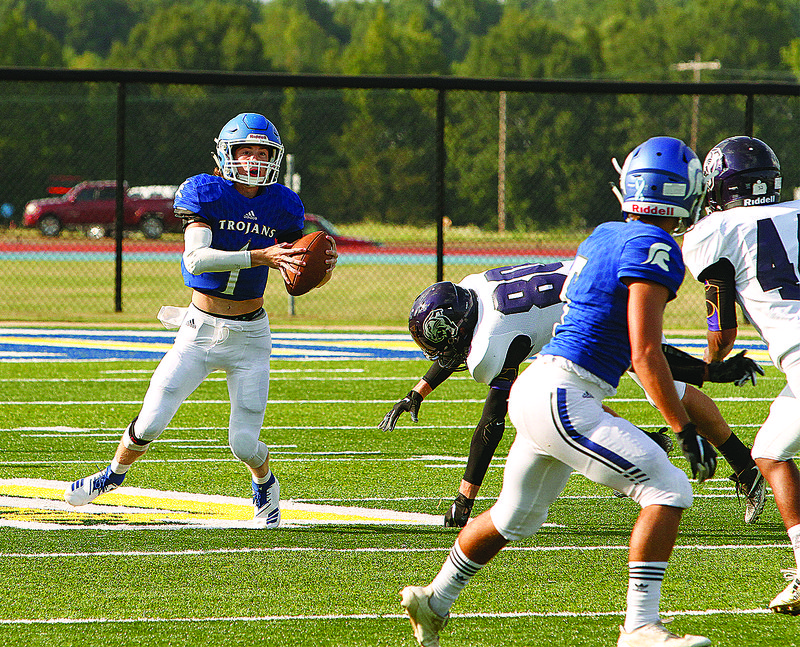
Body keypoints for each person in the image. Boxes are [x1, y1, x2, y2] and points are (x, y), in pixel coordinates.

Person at [400, 136, 715, 647]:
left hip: (539, 386)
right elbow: (645, 352)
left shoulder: (603, 234)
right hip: (566, 392)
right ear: (683, 193)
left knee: (512, 517)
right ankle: (639, 627)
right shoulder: (657, 248)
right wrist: (683, 427)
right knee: (668, 489)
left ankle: (434, 599)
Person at [63, 112, 337, 528]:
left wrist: (320, 268)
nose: (254, 160)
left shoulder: (282, 204)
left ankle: (265, 482)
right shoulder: (205, 192)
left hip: (250, 336)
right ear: (227, 155)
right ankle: (110, 476)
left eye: (262, 152)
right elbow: (195, 257)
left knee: (244, 444)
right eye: (246, 151)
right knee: (151, 420)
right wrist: (258, 256)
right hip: (198, 330)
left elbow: (296, 272)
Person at [381, 265, 764, 527]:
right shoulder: (474, 288)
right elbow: (457, 344)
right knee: (570, 392)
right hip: (587, 288)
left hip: (600, 309)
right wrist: (419, 392)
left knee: (662, 388)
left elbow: (491, 424)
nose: (447, 356)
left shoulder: (492, 340)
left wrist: (464, 499)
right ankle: (648, 443)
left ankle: (746, 468)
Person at [682, 135, 800, 615]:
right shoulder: (794, 212)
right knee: (769, 451)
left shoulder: (714, 231)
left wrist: (712, 363)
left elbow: (722, 325)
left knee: (772, 454)